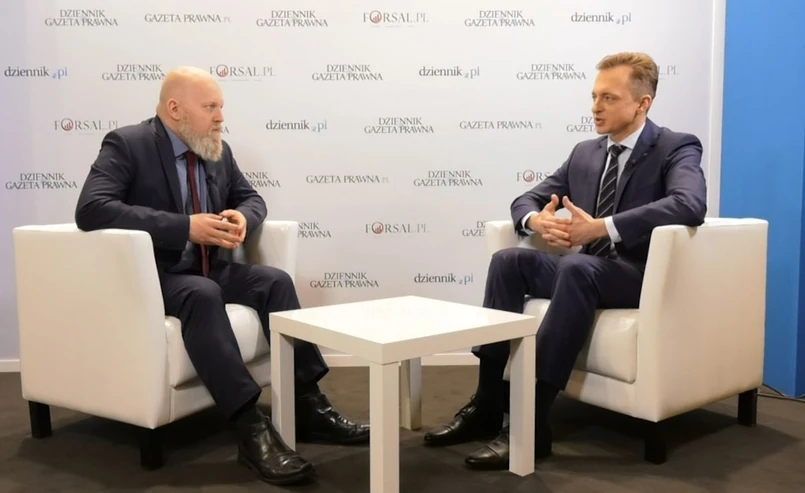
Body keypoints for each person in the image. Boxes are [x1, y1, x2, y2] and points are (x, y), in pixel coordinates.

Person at [74, 66, 369, 485]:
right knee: (202, 293)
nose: (220, 116)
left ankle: (308, 404)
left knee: (275, 282)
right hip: (155, 276)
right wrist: (184, 227)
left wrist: (243, 217)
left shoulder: (217, 150)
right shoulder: (128, 144)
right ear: (175, 109)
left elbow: (252, 198)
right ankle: (250, 428)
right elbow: (91, 208)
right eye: (210, 107)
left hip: (209, 266)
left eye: (220, 107)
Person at [423, 52, 707, 469]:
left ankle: (530, 424)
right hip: (588, 271)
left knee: (576, 266)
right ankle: (486, 403)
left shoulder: (675, 146)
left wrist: (602, 228)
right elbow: (527, 199)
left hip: (639, 275)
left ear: (642, 103)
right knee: (508, 261)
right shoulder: (585, 152)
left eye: (609, 98)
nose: (595, 107)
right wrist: (535, 220)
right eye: (594, 96)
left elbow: (689, 204)